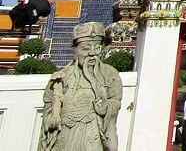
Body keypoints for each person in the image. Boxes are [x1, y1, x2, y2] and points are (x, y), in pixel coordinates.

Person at [39, 21, 123, 151]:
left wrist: (106, 107)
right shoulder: (62, 76)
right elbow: (49, 105)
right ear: (75, 50)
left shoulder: (110, 75)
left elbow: (115, 102)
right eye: (85, 49)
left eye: (97, 48)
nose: (92, 53)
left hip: (93, 134)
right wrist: (53, 115)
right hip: (66, 134)